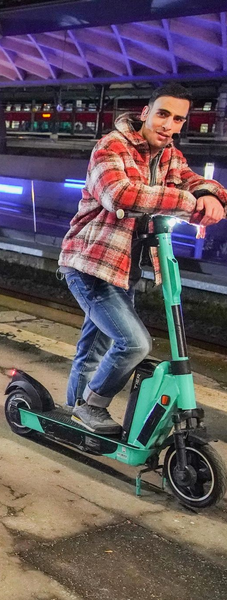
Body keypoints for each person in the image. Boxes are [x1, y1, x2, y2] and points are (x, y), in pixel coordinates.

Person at [59, 83, 227, 434]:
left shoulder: (169, 156)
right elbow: (120, 195)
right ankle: (93, 405)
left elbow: (193, 181)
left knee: (95, 346)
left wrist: (211, 195)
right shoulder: (111, 146)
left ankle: (76, 412)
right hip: (90, 264)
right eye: (163, 114)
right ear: (146, 113)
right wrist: (188, 203)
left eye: (178, 119)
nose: (169, 125)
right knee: (134, 343)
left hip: (124, 270)